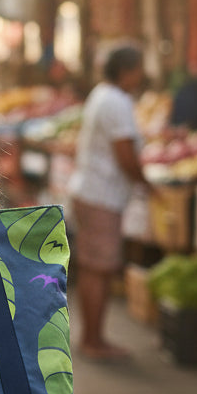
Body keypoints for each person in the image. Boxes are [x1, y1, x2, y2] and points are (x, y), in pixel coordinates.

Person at [67, 43, 153, 361]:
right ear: (128, 71)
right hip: (100, 196)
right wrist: (144, 182)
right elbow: (125, 152)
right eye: (139, 69)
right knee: (98, 269)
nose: (142, 75)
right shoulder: (116, 101)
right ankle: (93, 339)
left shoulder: (102, 95)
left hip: (92, 192)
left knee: (94, 268)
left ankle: (92, 336)